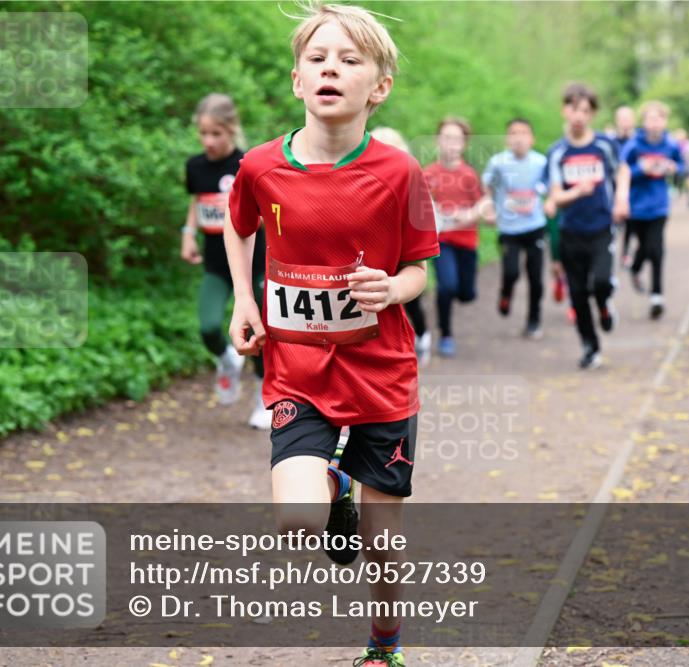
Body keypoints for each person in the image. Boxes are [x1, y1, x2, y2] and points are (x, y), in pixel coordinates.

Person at [224, 4, 438, 665]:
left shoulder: (400, 174)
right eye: (318, 58)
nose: (331, 69)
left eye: (349, 60)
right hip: (298, 371)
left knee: (382, 537)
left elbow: (419, 269)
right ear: (296, 80)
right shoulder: (262, 166)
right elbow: (240, 224)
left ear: (378, 87)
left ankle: (384, 646)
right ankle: (333, 486)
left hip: (382, 374)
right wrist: (243, 300)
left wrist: (391, 288)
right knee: (297, 521)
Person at [183, 93, 271, 429]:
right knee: (207, 327)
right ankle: (228, 361)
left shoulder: (248, 164)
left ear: (232, 129)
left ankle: (264, 396)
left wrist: (239, 217)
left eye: (216, 134)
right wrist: (188, 234)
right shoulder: (195, 166)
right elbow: (196, 202)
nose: (209, 141)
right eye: (203, 134)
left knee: (260, 327)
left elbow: (266, 210)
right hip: (216, 265)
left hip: (255, 264)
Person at [545, 83, 620, 370]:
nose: (579, 116)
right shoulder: (557, 152)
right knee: (577, 294)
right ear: (565, 110)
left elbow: (621, 171)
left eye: (586, 111)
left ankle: (603, 304)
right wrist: (576, 191)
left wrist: (622, 198)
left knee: (600, 282)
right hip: (570, 231)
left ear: (593, 114)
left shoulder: (604, 145)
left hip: (601, 228)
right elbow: (555, 195)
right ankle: (590, 345)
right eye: (574, 109)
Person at [613, 100, 683, 320]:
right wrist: (641, 169)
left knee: (657, 250)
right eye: (650, 119)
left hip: (659, 206)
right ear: (643, 122)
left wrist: (673, 168)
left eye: (658, 118)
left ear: (665, 121)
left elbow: (681, 165)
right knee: (644, 247)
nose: (654, 123)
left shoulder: (670, 145)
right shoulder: (634, 145)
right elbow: (622, 172)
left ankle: (657, 296)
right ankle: (635, 267)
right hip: (636, 206)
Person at [423, 117, 484, 358]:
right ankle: (446, 334)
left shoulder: (469, 175)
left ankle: (463, 292)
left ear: (464, 144)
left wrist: (466, 215)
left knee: (466, 293)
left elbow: (481, 206)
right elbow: (419, 207)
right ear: (438, 140)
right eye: (446, 137)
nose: (451, 144)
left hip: (467, 241)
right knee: (446, 286)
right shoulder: (427, 174)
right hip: (441, 241)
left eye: (456, 139)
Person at [372, 126, 433, 367]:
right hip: (374, 257)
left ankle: (422, 334)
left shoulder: (409, 180)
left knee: (411, 300)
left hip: (402, 255)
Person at [483, 118, 549, 338]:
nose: (518, 138)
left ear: (532, 138)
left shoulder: (541, 162)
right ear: (507, 139)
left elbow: (550, 185)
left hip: (534, 226)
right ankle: (506, 292)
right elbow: (487, 185)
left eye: (523, 133)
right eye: (513, 133)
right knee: (511, 272)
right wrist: (490, 208)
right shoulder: (498, 162)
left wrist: (546, 197)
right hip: (509, 229)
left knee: (535, 277)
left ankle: (534, 320)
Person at [610, 105, 638, 269]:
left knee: (630, 224)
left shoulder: (638, 142)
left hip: (635, 189)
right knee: (614, 222)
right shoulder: (611, 142)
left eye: (628, 119)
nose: (625, 123)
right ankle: (610, 249)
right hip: (614, 189)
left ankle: (625, 253)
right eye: (622, 119)